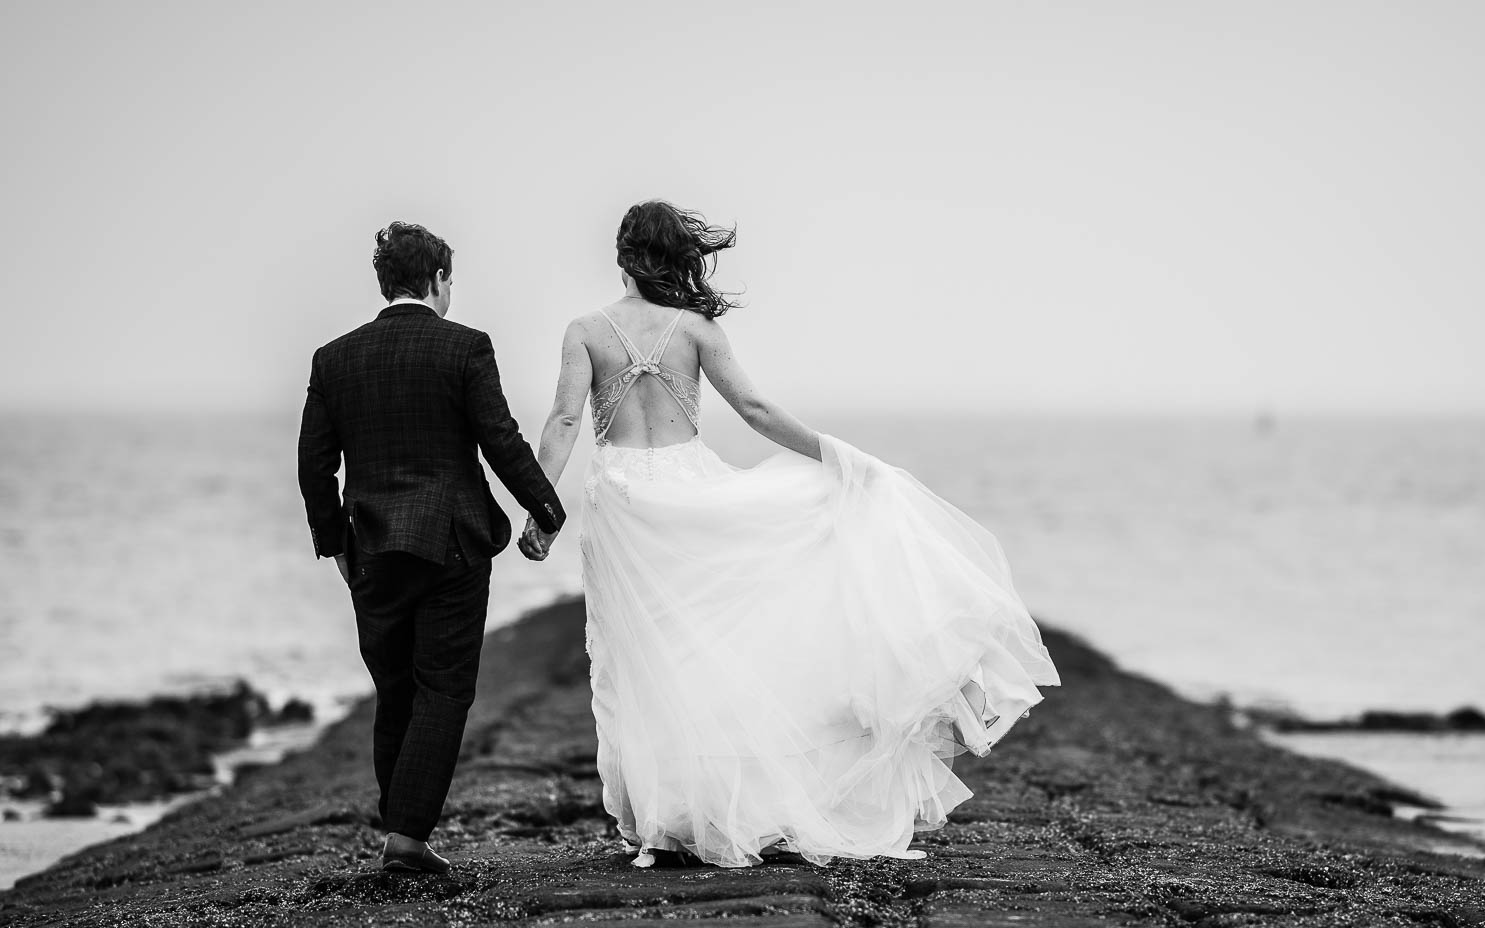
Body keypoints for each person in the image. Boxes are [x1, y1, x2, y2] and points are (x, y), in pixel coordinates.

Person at [520, 200, 1058, 868]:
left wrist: (541, 511)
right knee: (708, 646)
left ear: (623, 255)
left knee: (631, 662)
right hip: (690, 495)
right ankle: (713, 805)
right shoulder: (696, 329)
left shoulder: (584, 330)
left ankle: (652, 820)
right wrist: (832, 456)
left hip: (624, 505)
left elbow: (564, 423)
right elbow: (755, 410)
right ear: (677, 257)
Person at [299, 222, 566, 874]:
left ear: (386, 281)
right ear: (438, 280)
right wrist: (548, 509)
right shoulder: (464, 348)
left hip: (371, 549)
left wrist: (334, 540)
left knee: (394, 693)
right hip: (451, 546)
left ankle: (401, 827)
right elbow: (499, 440)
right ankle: (407, 840)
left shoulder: (334, 359)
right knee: (442, 691)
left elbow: (313, 465)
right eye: (451, 281)